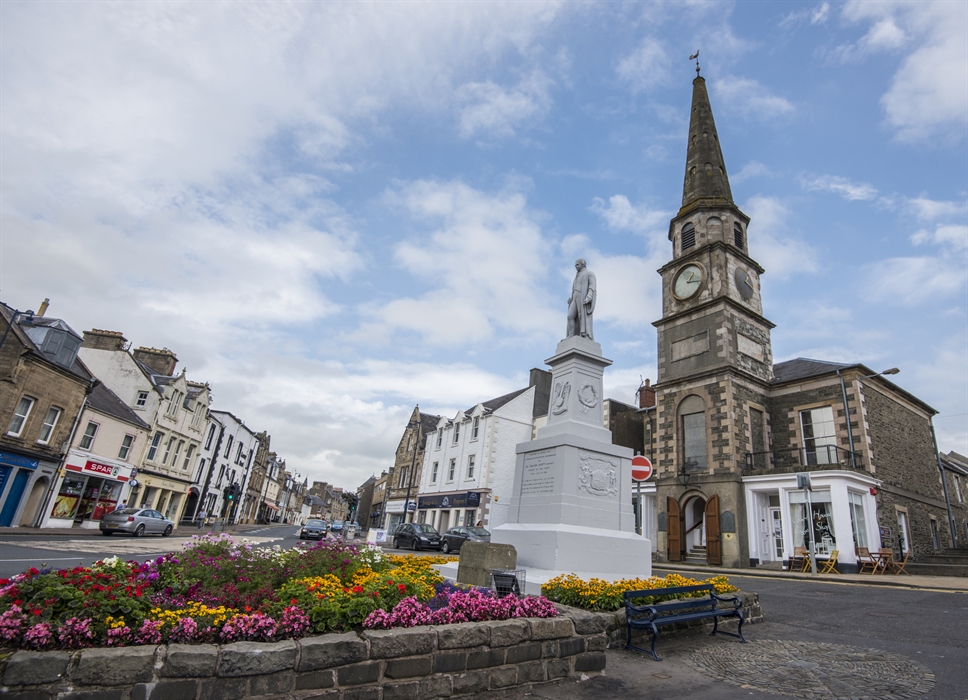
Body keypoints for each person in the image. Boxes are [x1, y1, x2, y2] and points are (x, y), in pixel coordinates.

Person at [566, 258, 596, 340]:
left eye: (577, 264)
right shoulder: (576, 276)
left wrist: (589, 296)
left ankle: (585, 334)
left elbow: (592, 286)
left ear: (583, 264)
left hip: (582, 296)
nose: (576, 266)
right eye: (575, 265)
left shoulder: (589, 273)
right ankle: (571, 335)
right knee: (570, 316)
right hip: (575, 297)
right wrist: (571, 298)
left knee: (581, 316)